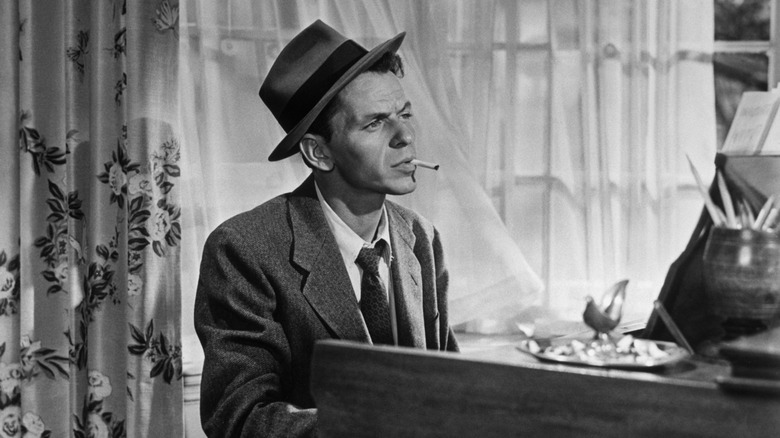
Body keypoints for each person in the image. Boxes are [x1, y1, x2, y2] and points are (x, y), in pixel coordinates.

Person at [194, 19, 459, 437]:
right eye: (374, 123)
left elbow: (448, 388)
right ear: (318, 152)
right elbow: (239, 418)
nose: (405, 135)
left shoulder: (421, 238)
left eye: (404, 114)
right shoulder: (245, 250)